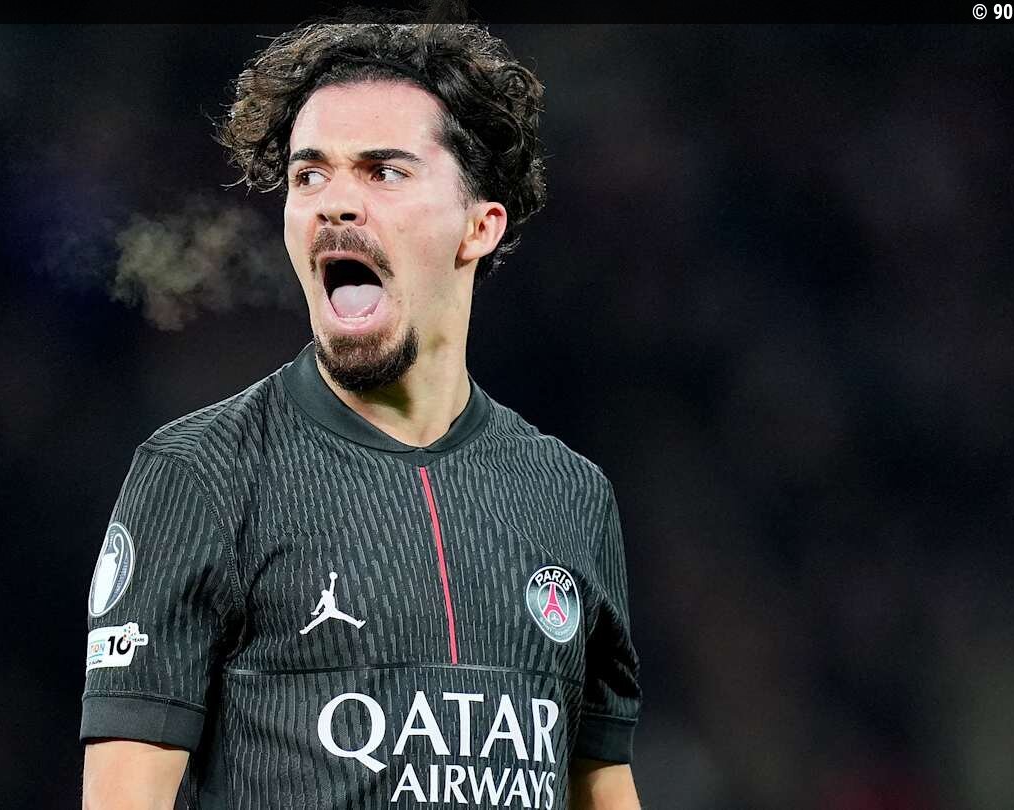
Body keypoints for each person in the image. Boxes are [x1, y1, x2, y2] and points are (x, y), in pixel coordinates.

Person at [80, 15, 642, 809]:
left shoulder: (571, 494)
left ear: (478, 227)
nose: (336, 203)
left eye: (383, 171)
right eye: (311, 175)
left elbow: (600, 785)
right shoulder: (200, 476)